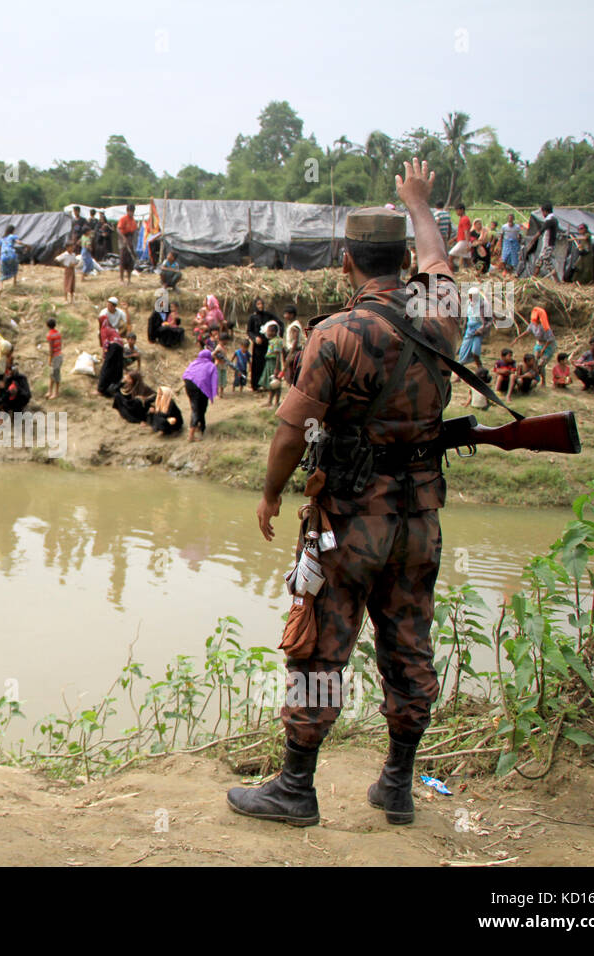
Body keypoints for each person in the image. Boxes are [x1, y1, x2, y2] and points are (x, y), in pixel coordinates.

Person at [231, 159, 460, 828]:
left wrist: (271, 495)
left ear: (347, 262)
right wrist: (417, 202)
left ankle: (296, 790)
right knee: (409, 644)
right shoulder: (440, 316)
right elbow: (440, 257)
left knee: (321, 647)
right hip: (419, 521)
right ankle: (397, 785)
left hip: (351, 524)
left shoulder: (335, 334)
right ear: (401, 260)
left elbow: (290, 434)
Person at [514, 305, 557, 386]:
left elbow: (550, 340)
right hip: (539, 344)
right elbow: (527, 331)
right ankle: (534, 377)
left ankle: (543, 381)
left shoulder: (545, 327)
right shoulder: (532, 324)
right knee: (535, 362)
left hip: (548, 346)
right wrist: (518, 338)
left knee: (541, 363)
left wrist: (543, 350)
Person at [182, 349, 217, 442]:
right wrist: (213, 393)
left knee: (197, 406)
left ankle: (199, 426)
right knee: (198, 409)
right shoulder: (211, 366)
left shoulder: (194, 363)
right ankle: (191, 436)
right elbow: (214, 381)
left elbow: (185, 374)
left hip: (189, 385)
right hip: (200, 387)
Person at [245, 298, 278, 392]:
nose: (261, 306)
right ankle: (256, 385)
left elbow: (277, 324)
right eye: (258, 304)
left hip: (268, 344)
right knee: (257, 364)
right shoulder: (252, 317)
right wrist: (255, 338)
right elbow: (249, 331)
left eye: (262, 304)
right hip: (258, 345)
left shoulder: (268, 315)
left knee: (267, 364)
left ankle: (267, 384)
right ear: (255, 305)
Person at [258, 321, 284, 406]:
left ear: (273, 332)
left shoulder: (276, 341)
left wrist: (276, 368)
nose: (267, 333)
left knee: (276, 383)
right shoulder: (272, 340)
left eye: (268, 331)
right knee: (271, 383)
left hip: (273, 363)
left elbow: (277, 355)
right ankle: (270, 401)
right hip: (269, 363)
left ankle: (276, 402)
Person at [116, 204, 139, 283]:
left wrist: (132, 242)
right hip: (122, 239)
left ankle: (129, 279)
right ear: (127, 211)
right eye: (130, 211)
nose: (131, 213)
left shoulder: (133, 220)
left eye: (132, 212)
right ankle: (121, 279)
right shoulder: (123, 219)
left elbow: (134, 232)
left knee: (130, 260)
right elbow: (118, 230)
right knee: (123, 259)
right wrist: (124, 238)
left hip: (130, 239)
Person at [448, 203, 472, 271]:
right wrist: (453, 239)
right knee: (468, 261)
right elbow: (461, 233)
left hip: (463, 242)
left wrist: (467, 244)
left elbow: (466, 232)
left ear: (462, 210)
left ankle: (451, 275)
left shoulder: (464, 219)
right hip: (464, 241)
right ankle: (474, 275)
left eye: (457, 210)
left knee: (450, 257)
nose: (456, 212)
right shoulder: (462, 219)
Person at [45, 317, 63, 400]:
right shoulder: (58, 333)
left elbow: (51, 349)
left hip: (55, 357)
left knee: (55, 374)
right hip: (60, 355)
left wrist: (50, 358)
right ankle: (50, 391)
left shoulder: (49, 335)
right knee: (53, 374)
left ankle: (56, 392)